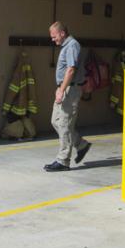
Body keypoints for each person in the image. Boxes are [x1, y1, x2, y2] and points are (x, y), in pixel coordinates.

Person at [43, 21, 91, 171]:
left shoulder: (72, 46)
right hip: (65, 89)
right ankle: (81, 145)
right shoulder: (67, 46)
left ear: (62, 33)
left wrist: (62, 90)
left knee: (63, 123)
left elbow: (71, 70)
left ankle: (63, 161)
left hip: (70, 90)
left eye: (54, 36)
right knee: (56, 121)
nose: (53, 39)